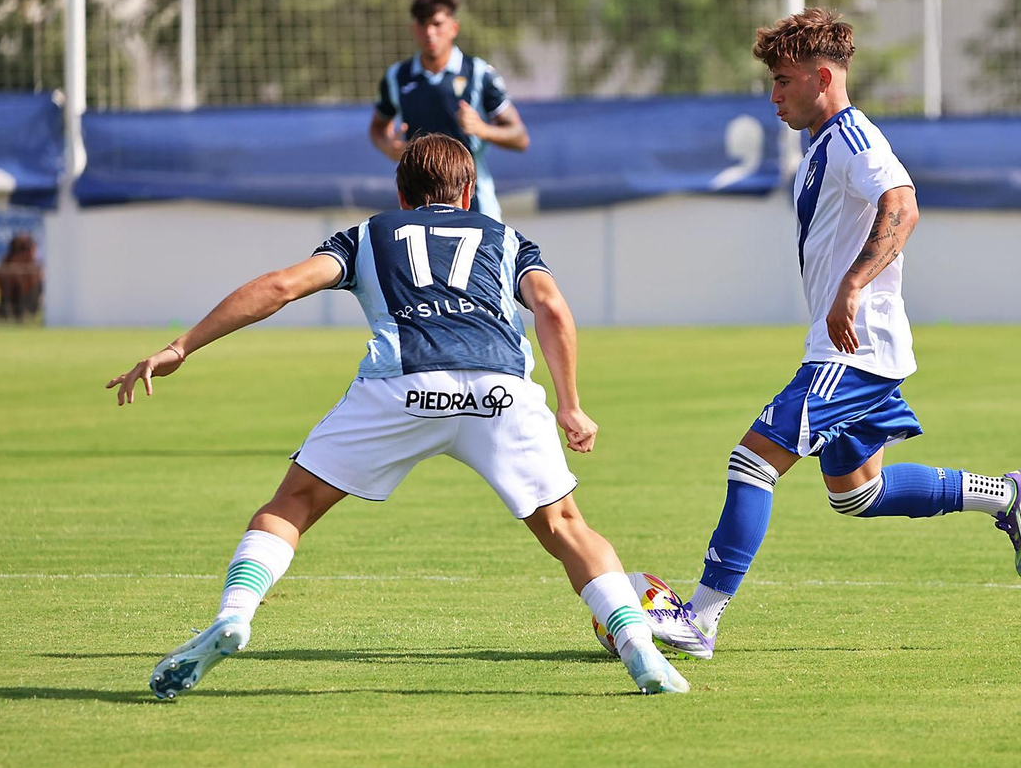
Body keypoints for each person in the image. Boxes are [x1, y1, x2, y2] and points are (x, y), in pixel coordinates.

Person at [109, 134, 688, 697]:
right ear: (468, 194)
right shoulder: (507, 239)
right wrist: (570, 404)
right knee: (565, 526)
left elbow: (281, 287)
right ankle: (637, 643)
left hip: (402, 388)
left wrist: (182, 346)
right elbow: (552, 309)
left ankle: (234, 615)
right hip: (500, 391)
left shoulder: (368, 234)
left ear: (402, 195)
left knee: (294, 502)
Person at [649, 8, 1021, 661]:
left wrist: (853, 285)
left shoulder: (855, 138)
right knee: (859, 493)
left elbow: (903, 205)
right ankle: (1006, 495)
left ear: (823, 78)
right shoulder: (824, 144)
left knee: (753, 460)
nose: (774, 96)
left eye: (783, 81)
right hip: (860, 347)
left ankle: (701, 618)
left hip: (852, 348)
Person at [368, 0, 528, 222]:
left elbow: (520, 137)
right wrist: (388, 147)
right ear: (413, 29)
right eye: (423, 24)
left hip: (473, 200)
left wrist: (482, 129)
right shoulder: (397, 77)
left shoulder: (478, 73)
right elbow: (377, 127)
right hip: (418, 200)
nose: (430, 32)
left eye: (437, 24)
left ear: (454, 27)